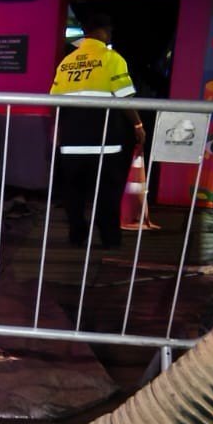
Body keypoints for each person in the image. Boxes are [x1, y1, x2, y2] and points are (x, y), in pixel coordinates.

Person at [49, 13, 146, 249]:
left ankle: (77, 235)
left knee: (73, 193)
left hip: (72, 142)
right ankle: (110, 239)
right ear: (103, 31)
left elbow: (55, 102)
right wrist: (138, 125)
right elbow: (125, 98)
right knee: (107, 193)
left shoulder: (67, 62)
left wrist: (58, 132)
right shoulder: (112, 58)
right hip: (105, 142)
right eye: (109, 31)